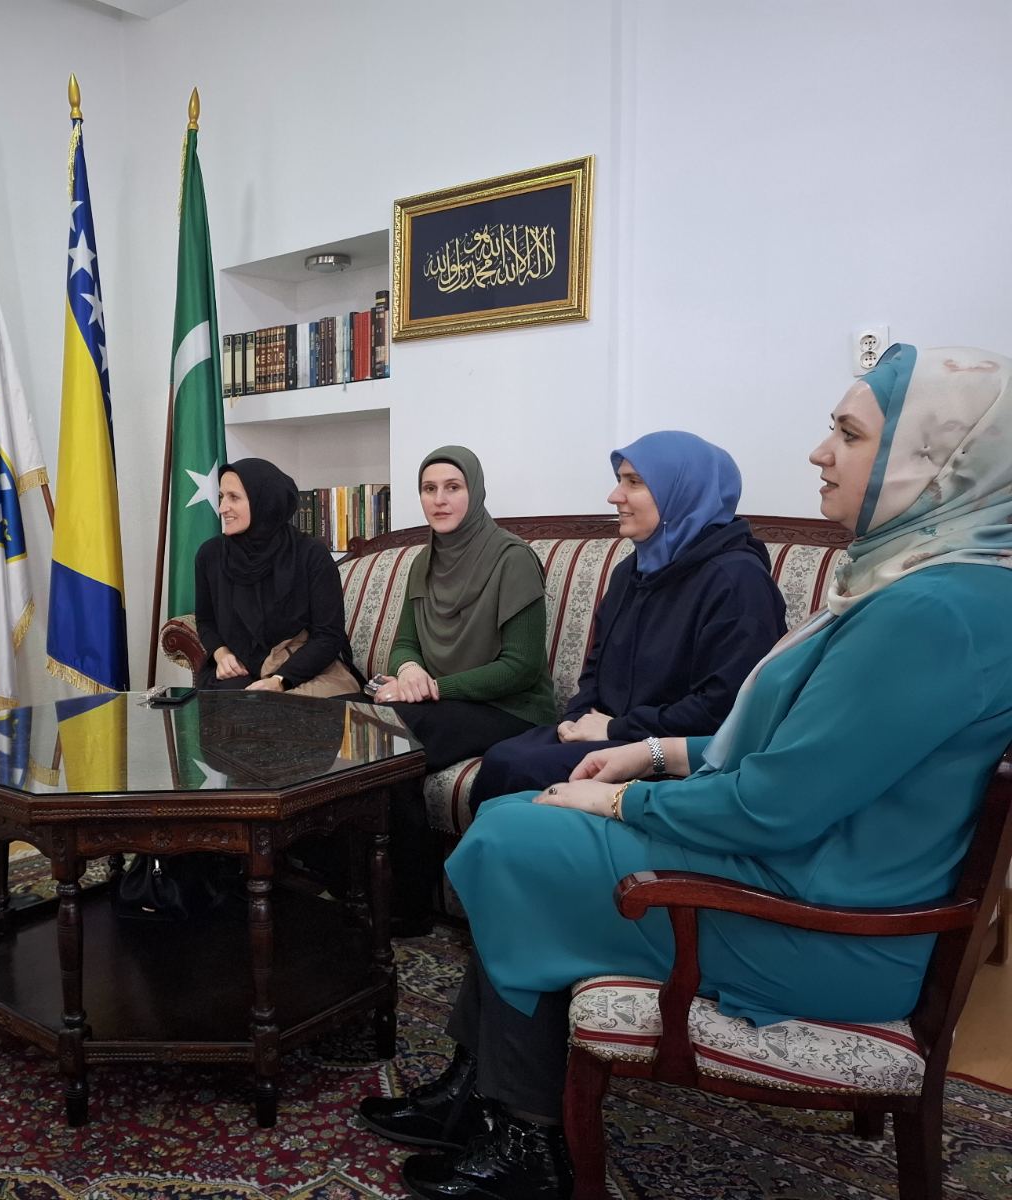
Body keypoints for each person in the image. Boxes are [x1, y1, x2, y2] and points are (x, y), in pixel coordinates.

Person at [358, 344, 1012, 1200]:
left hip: (826, 921)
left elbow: (774, 803)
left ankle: (524, 1136)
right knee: (519, 824)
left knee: (515, 842)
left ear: (939, 458)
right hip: (810, 868)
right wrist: (658, 754)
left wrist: (619, 799)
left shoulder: (931, 610)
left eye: (849, 435)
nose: (819, 452)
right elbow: (796, 751)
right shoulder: (925, 586)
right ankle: (484, 1093)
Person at [470, 431, 786, 808]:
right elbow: (596, 666)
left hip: (674, 755)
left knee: (517, 768)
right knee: (503, 755)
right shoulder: (631, 571)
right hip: (613, 732)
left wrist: (614, 728)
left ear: (681, 492)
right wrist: (577, 717)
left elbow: (723, 709)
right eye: (620, 480)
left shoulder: (737, 581)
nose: (614, 496)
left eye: (634, 482)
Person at [369, 446, 557, 933]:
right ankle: (367, 891)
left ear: (474, 492)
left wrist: (431, 686)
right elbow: (404, 643)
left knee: (394, 735)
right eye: (429, 489)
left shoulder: (513, 559)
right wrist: (410, 670)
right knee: (352, 718)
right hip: (444, 702)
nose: (439, 499)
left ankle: (407, 905)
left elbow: (521, 667)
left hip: (511, 708)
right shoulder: (424, 562)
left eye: (452, 487)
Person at [194, 458, 360, 697]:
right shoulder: (210, 555)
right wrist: (221, 653)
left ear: (264, 502)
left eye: (234, 497)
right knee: (237, 704)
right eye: (221, 497)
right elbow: (206, 620)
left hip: (301, 667)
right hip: (238, 669)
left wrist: (280, 680)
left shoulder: (311, 554)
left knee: (307, 707)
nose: (222, 508)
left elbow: (328, 636)